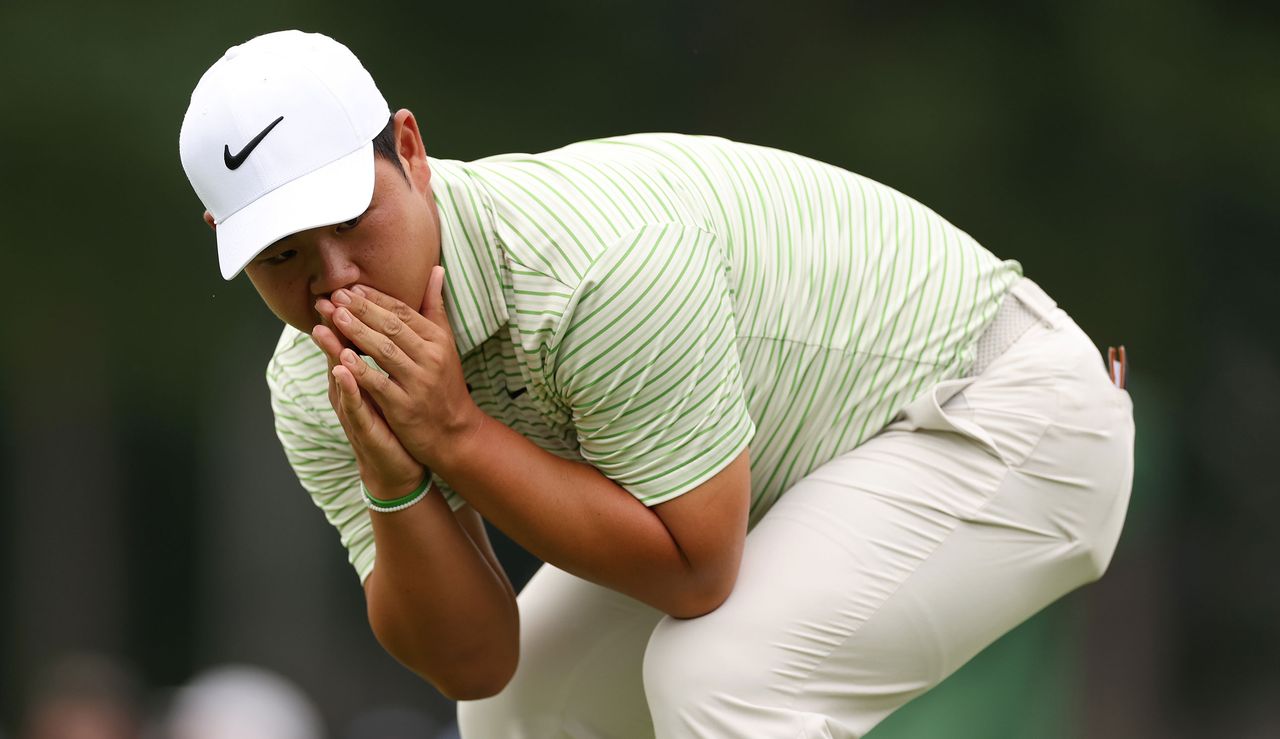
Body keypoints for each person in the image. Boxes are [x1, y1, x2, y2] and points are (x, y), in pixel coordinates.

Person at [179, 30, 1134, 738]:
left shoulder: (589, 263)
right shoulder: (312, 382)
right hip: (797, 467)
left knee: (723, 677)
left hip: (1008, 410)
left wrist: (456, 434)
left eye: (352, 217)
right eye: (285, 254)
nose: (336, 277)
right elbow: (476, 659)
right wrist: (400, 479)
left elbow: (696, 569)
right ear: (231, 251)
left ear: (413, 151)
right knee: (518, 710)